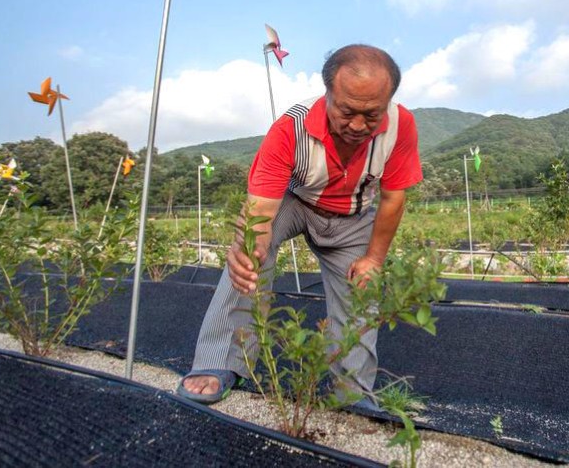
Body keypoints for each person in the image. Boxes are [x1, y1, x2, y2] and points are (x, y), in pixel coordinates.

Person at [177, 44, 422, 404]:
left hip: (353, 217)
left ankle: (352, 390)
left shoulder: (402, 126)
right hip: (296, 203)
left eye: (371, 115)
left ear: (388, 100)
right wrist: (253, 246)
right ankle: (221, 361)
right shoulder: (291, 127)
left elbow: (393, 199)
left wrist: (374, 259)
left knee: (362, 289)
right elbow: (261, 208)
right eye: (347, 111)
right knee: (247, 259)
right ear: (328, 95)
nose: (357, 125)